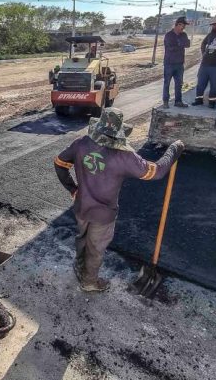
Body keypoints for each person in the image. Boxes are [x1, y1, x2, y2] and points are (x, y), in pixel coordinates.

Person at [54, 108, 184, 292]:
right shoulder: (125, 156)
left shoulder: (81, 144)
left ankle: (79, 266)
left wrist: (73, 189)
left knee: (82, 238)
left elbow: (59, 163)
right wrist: (174, 149)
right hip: (104, 214)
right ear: (119, 132)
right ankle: (89, 281)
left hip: (81, 206)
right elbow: (157, 172)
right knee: (96, 248)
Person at [162, 17, 190, 108]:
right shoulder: (169, 35)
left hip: (179, 64)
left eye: (185, 26)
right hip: (169, 63)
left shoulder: (183, 35)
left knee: (179, 84)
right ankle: (165, 101)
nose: (184, 28)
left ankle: (178, 101)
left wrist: (179, 44)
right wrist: (180, 44)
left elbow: (188, 44)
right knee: (167, 83)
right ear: (178, 24)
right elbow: (170, 47)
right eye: (183, 25)